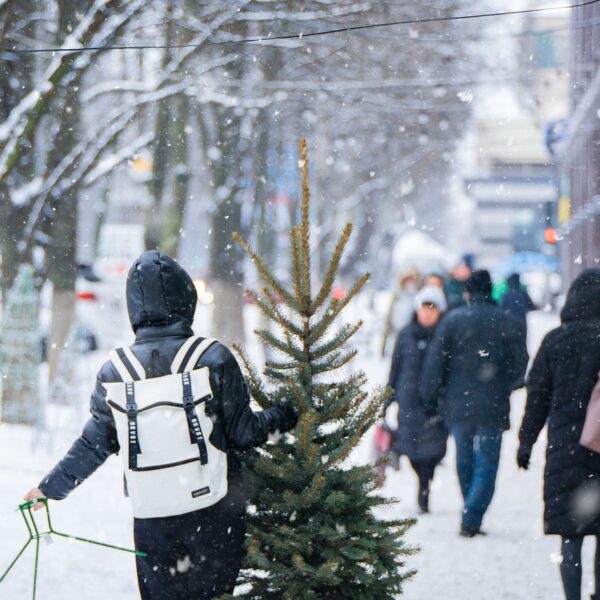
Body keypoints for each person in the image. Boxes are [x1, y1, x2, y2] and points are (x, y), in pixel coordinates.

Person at [24, 251, 297, 600]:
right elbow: (246, 433)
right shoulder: (212, 358)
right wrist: (289, 413)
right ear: (187, 299)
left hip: (152, 517)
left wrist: (49, 488)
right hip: (214, 512)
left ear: (134, 308)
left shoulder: (115, 372)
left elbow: (95, 444)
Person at [420, 269, 528, 537]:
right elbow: (520, 364)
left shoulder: (452, 321)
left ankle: (470, 509)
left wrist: (431, 398)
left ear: (467, 292)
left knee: (464, 459)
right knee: (487, 462)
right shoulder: (506, 321)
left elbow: (435, 363)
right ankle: (473, 513)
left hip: (458, 404)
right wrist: (506, 385)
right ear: (490, 291)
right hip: (493, 403)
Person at [517, 269, 600, 600]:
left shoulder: (555, 340)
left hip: (566, 450)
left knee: (571, 535)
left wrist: (526, 442)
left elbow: (536, 397)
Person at [386, 286, 448, 513]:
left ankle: (425, 486)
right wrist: (388, 397)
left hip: (434, 404)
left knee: (433, 451)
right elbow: (395, 367)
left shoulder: (445, 335)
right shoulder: (405, 334)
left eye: (433, 308)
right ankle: (422, 484)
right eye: (425, 307)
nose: (428, 313)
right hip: (408, 401)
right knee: (411, 450)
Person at [381, 268, 420, 356]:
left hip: (412, 335)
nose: (410, 284)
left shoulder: (418, 297)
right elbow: (389, 317)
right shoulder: (398, 296)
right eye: (408, 280)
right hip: (396, 334)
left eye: (412, 281)